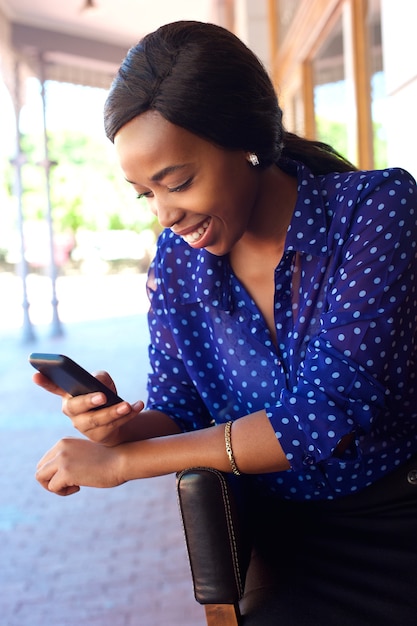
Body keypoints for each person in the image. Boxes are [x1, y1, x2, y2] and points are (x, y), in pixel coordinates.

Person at [34, 21, 417, 625]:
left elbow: (322, 418)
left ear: (247, 141)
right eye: (144, 195)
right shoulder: (179, 262)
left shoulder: (376, 211)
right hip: (285, 543)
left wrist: (127, 465)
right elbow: (179, 410)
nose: (166, 215)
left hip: (397, 518)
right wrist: (119, 431)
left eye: (178, 182)